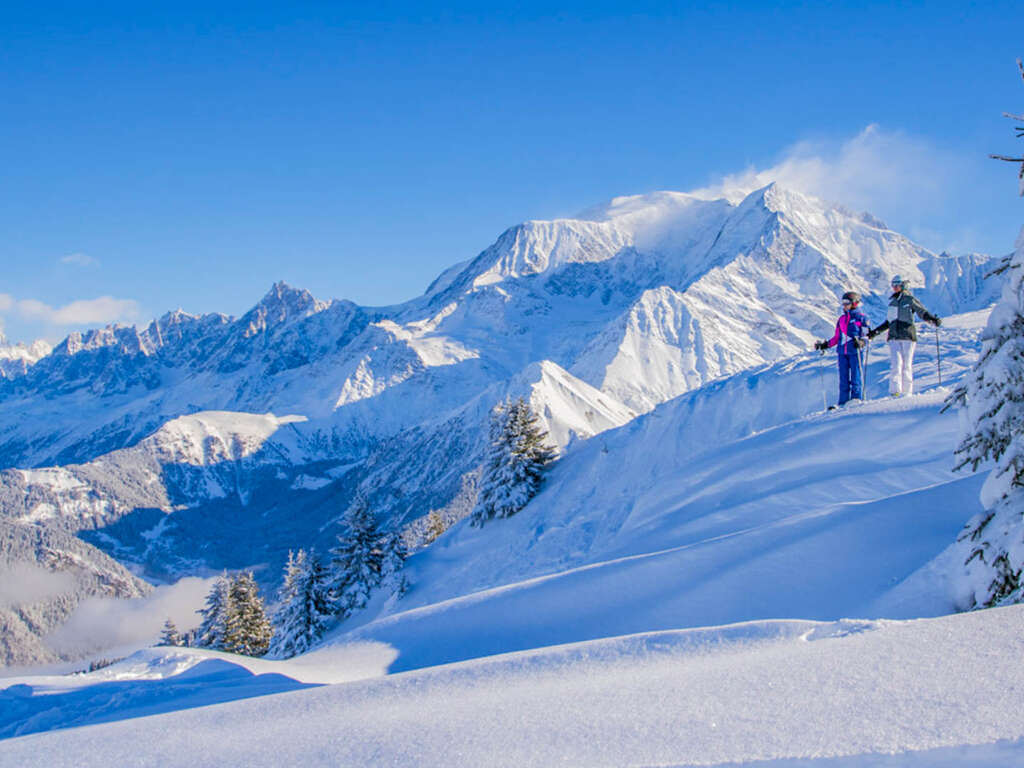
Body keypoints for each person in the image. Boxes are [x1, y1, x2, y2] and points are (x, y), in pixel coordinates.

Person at [867, 275, 941, 397]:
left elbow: (921, 311)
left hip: (907, 336)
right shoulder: (892, 303)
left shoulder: (909, 300)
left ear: (903, 285)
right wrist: (874, 333)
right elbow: (889, 322)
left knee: (906, 364)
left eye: (897, 285)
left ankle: (907, 392)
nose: (895, 287)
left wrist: (932, 319)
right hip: (894, 337)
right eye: (893, 285)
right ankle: (895, 391)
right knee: (896, 364)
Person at [814, 291, 870, 406]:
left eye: (847, 303)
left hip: (855, 351)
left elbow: (867, 335)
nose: (844, 306)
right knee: (843, 379)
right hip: (842, 352)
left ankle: (856, 400)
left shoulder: (861, 318)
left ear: (854, 303)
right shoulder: (841, 319)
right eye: (843, 303)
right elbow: (837, 337)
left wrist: (861, 342)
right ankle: (843, 402)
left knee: (856, 377)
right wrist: (825, 345)